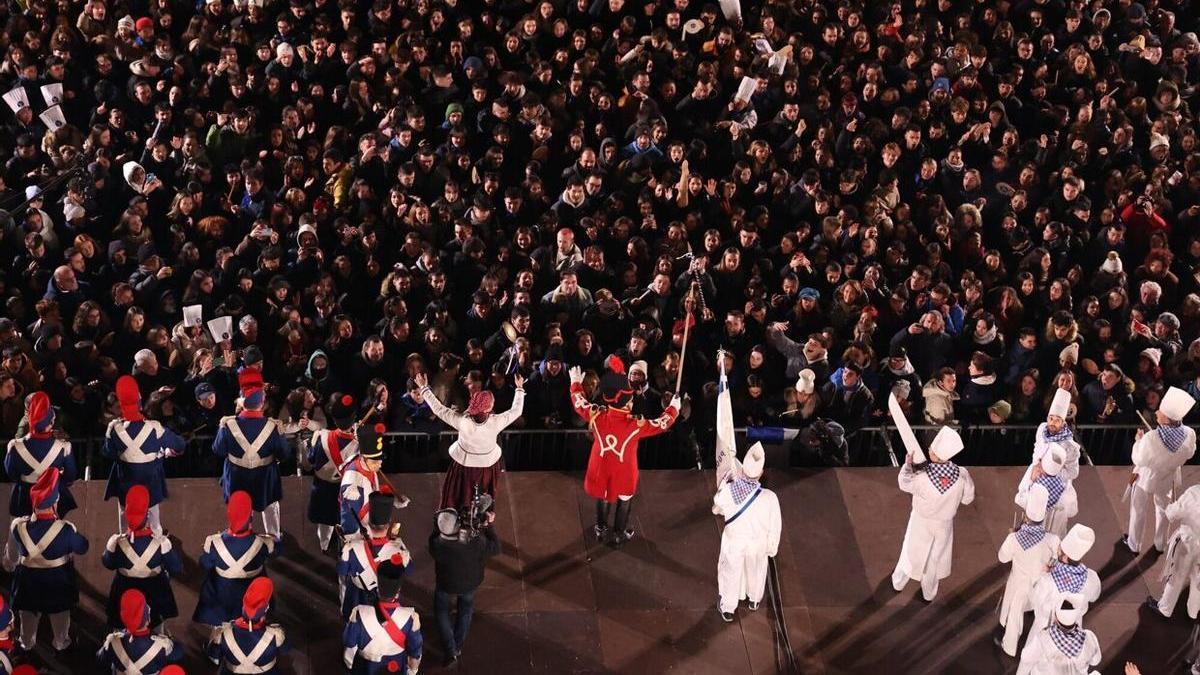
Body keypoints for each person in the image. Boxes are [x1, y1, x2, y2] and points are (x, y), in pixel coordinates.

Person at [568, 356, 681, 545]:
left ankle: (601, 527)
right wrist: (673, 409)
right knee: (624, 499)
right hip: (624, 471)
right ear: (628, 403)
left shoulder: (597, 415)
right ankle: (619, 533)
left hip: (601, 467)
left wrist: (575, 384)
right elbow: (662, 424)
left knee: (603, 497)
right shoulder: (635, 425)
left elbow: (579, 403)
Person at [2, 468, 89, 650]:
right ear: (55, 501)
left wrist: (10, 566)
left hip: (27, 583)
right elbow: (83, 547)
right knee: (60, 620)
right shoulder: (66, 529)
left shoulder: (17, 526)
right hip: (57, 583)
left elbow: (10, 559)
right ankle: (61, 644)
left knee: (27, 625)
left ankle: (26, 646)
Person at [415, 371, 525, 509]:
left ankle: (451, 514)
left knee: (458, 495)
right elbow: (516, 411)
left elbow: (439, 409)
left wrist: (424, 388)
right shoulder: (496, 421)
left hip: (463, 466)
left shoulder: (462, 421)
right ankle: (486, 520)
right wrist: (519, 388)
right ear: (489, 406)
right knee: (485, 498)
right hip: (487, 467)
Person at [891, 427, 975, 602]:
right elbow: (968, 499)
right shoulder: (962, 474)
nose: (928, 449)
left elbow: (904, 483)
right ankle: (929, 593)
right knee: (935, 559)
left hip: (920, 522)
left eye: (931, 448)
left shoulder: (922, 477)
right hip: (944, 525)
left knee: (910, 553)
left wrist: (907, 465)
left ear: (935, 454)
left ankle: (898, 583)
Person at [213, 369, 292, 540]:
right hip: (264, 478)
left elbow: (218, 451)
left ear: (242, 403)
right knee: (270, 506)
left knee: (240, 507)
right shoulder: (273, 427)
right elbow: (284, 454)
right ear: (263, 403)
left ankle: (241, 536)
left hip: (236, 478)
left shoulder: (228, 424)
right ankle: (273, 538)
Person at [104, 376, 185, 535]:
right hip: (150, 482)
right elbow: (179, 444)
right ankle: (156, 543)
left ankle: (125, 541)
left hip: (125, 483)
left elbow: (109, 453)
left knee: (125, 518)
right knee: (154, 521)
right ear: (139, 402)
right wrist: (163, 452)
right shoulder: (154, 428)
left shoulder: (114, 429)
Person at [712, 442, 782, 622]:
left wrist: (725, 482)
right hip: (757, 543)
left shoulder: (730, 490)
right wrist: (771, 547)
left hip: (735, 540)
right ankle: (754, 600)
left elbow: (716, 506)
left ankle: (728, 608)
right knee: (756, 571)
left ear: (742, 471)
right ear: (760, 473)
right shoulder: (769, 497)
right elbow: (775, 525)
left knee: (731, 571)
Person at [194, 491, 279, 633]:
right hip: (250, 596)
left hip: (220, 600)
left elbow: (205, 564)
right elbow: (277, 550)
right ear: (251, 516)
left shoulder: (214, 542)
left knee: (219, 630)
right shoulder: (263, 543)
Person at [1125, 386, 1198, 553]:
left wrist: (1138, 441)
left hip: (1146, 478)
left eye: (1161, 412)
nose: (1157, 412)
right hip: (1168, 477)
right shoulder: (1189, 433)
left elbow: (1138, 459)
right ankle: (1160, 544)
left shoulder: (1152, 437)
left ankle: (1134, 544)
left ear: (1167, 419)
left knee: (1138, 509)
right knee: (1164, 510)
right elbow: (1190, 453)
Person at [101, 485, 181, 631]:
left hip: (124, 589)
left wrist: (110, 546)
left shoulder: (118, 543)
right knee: (157, 623)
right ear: (147, 516)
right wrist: (167, 547)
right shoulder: (161, 543)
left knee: (120, 618)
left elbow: (108, 563)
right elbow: (176, 568)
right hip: (155, 592)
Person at [428, 508, 500, 666]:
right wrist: (489, 526)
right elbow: (496, 547)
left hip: (446, 584)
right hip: (470, 583)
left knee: (441, 612)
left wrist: (436, 527)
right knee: (465, 610)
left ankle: (450, 649)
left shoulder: (437, 545)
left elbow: (433, 540)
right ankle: (458, 646)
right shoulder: (475, 543)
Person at [997, 484, 1059, 657]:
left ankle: (1009, 647)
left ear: (1024, 516)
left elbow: (1002, 557)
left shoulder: (1014, 538)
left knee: (1014, 617)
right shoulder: (1052, 539)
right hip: (1039, 586)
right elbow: (1059, 557)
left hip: (1018, 584)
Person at [342, 551, 423, 674]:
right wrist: (412, 670)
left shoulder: (359, 613)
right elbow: (415, 651)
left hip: (365, 668)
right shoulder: (410, 618)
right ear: (398, 591)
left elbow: (349, 642)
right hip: (396, 666)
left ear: (378, 589)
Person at [337, 492, 411, 620]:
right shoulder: (399, 550)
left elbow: (342, 570)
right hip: (387, 596)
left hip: (357, 594)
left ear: (369, 524)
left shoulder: (352, 548)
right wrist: (399, 543)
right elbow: (408, 571)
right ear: (388, 525)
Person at [5, 391, 78, 517]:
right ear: (51, 420)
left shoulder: (15, 447)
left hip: (25, 497)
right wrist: (56, 478)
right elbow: (71, 476)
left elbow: (12, 473)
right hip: (54, 494)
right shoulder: (63, 447)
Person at [307, 393, 360, 551]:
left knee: (324, 523)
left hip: (322, 487)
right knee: (345, 522)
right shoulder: (359, 444)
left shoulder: (320, 436)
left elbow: (311, 459)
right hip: (344, 489)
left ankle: (324, 545)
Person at [206, 577, 289, 674]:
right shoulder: (276, 636)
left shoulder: (223, 634)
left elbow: (214, 655)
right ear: (266, 609)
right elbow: (285, 650)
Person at [1029, 524, 1101, 631]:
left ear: (1066, 558)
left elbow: (1034, 599)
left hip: (1045, 625)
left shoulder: (1048, 580)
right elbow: (1094, 597)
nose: (1057, 550)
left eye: (1059, 550)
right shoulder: (1092, 578)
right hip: (1073, 624)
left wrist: (1042, 574)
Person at [97, 589, 185, 674]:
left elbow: (101, 658)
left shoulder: (113, 642)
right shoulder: (162, 645)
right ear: (147, 619)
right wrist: (170, 640)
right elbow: (178, 653)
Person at [339, 423, 404, 535]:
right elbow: (349, 517)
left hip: (371, 525)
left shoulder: (370, 468)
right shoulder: (353, 485)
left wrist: (391, 498)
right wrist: (353, 541)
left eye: (380, 461)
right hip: (360, 534)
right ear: (363, 458)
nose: (379, 465)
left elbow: (372, 490)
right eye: (374, 462)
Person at [1147, 484, 1200, 618]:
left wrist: (1172, 505)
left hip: (1187, 542)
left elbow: (1172, 514)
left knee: (1176, 575)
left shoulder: (1194, 492)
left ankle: (1165, 609)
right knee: (1197, 580)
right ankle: (1194, 612)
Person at [1016, 595, 1101, 675]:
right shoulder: (1089, 637)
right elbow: (1095, 661)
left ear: (1056, 618)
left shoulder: (1043, 639)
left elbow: (1025, 658)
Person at [1016, 446, 1079, 537]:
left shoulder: (1035, 473)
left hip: (1033, 535)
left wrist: (1030, 481)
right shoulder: (1065, 481)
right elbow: (1072, 511)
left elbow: (1020, 500)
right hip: (1054, 536)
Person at [1025, 388, 1081, 482]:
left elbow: (1073, 472)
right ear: (1047, 418)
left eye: (1057, 420)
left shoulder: (1069, 446)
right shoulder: (1042, 429)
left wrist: (1049, 471)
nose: (1053, 422)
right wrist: (1036, 465)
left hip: (1057, 483)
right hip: (1035, 474)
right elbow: (1037, 448)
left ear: (1063, 423)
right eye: (1051, 418)